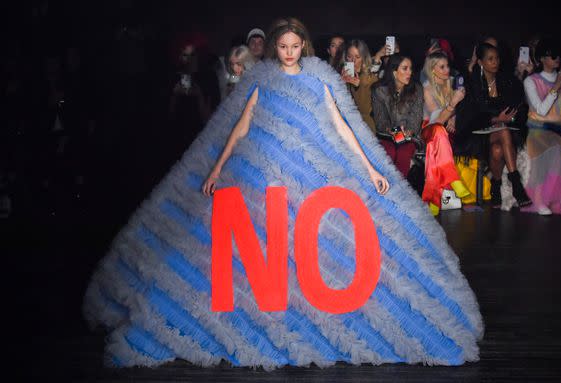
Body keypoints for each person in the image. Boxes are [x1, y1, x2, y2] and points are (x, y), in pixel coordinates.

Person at [83, 17, 483, 369]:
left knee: (303, 243)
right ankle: (262, 306)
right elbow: (241, 126)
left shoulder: (317, 79)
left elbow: (342, 126)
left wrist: (370, 168)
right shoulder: (264, 79)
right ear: (276, 46)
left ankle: (302, 306)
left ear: (303, 46)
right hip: (266, 169)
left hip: (304, 177)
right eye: (283, 46)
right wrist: (218, 168)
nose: (289, 52)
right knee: (262, 239)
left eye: (295, 46)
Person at [463, 43, 532, 209]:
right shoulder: (473, 83)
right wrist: (495, 119)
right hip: (479, 132)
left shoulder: (506, 80)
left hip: (504, 130)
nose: (495, 62)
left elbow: (518, 106)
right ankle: (516, 184)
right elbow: (471, 114)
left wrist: (507, 118)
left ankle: (496, 184)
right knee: (502, 132)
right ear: (480, 62)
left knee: (497, 149)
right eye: (490, 59)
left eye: (497, 58)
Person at [522, 38, 561, 215]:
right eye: (552, 55)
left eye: (558, 55)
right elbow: (541, 110)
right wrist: (556, 88)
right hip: (539, 128)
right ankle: (543, 199)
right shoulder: (531, 81)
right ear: (542, 59)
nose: (556, 59)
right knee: (558, 147)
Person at [422, 51, 471, 215]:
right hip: (427, 127)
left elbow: (460, 111)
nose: (447, 70)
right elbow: (436, 121)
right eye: (441, 67)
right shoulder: (427, 89)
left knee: (439, 138)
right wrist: (453, 104)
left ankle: (434, 202)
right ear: (432, 69)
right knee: (438, 131)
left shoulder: (453, 83)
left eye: (447, 66)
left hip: (442, 133)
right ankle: (452, 179)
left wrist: (455, 118)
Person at [372, 54, 423, 177]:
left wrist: (408, 131)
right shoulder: (379, 90)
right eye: (405, 68)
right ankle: (387, 190)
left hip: (410, 136)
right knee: (388, 153)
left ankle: (401, 191)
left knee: (403, 154)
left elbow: (416, 119)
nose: (409, 72)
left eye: (410, 69)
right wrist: (392, 130)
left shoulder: (416, 89)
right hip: (387, 135)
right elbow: (380, 120)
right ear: (394, 72)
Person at [341, 39, 379, 133]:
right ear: (345, 58)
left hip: (364, 128)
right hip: (344, 125)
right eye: (349, 56)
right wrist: (340, 84)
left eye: (357, 57)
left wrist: (358, 87)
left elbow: (364, 111)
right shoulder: (340, 76)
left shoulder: (370, 79)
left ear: (364, 58)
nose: (353, 61)